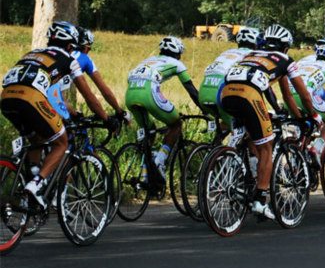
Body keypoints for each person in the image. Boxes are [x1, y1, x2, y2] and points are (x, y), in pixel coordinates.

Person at [2, 21, 118, 208]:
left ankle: (32, 178)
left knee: (37, 138)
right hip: (30, 98)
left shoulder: (33, 53)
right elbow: (89, 96)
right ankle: (35, 185)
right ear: (71, 46)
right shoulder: (69, 59)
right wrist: (106, 119)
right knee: (61, 142)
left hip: (6, 99)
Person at [219, 24, 315, 219]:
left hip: (226, 94)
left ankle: (245, 173)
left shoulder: (251, 54)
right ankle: (261, 200)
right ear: (286, 47)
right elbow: (302, 96)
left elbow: (285, 94)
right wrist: (310, 117)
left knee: (253, 137)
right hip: (249, 95)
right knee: (267, 146)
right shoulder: (286, 60)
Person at [125, 36, 202, 175]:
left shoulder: (147, 60)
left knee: (149, 130)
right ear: (178, 53)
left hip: (130, 95)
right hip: (148, 94)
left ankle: (145, 173)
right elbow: (192, 90)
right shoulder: (176, 63)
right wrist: (204, 109)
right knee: (176, 124)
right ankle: (160, 160)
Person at [198, 26, 261, 130]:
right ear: (255, 43)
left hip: (203, 92)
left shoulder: (227, 52)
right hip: (221, 94)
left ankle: (212, 145)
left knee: (228, 123)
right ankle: (232, 145)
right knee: (248, 127)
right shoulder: (252, 55)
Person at [72, 28, 126, 117]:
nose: (88, 51)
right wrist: (119, 110)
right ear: (85, 46)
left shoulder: (59, 53)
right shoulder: (85, 59)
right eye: (89, 48)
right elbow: (104, 90)